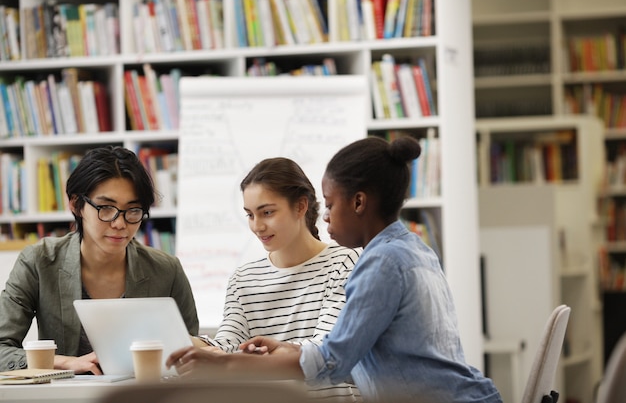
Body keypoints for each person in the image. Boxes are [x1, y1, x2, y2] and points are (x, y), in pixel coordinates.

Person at [166, 136, 502, 403]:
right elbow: (341, 350)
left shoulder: (380, 264)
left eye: (329, 204)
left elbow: (332, 361)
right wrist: (285, 349)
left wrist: (225, 364)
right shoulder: (413, 248)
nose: (323, 216)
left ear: (358, 203)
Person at [0, 146, 199, 374]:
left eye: (133, 210)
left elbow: (192, 355)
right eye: (106, 208)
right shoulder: (39, 262)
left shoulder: (166, 270)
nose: (119, 223)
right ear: (76, 205)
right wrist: (64, 362)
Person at [198, 157, 361, 401]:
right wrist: (190, 343)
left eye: (267, 213)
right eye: (250, 215)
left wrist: (241, 359)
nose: (257, 226)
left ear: (300, 206)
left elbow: (325, 348)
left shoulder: (344, 263)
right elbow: (228, 344)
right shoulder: (243, 279)